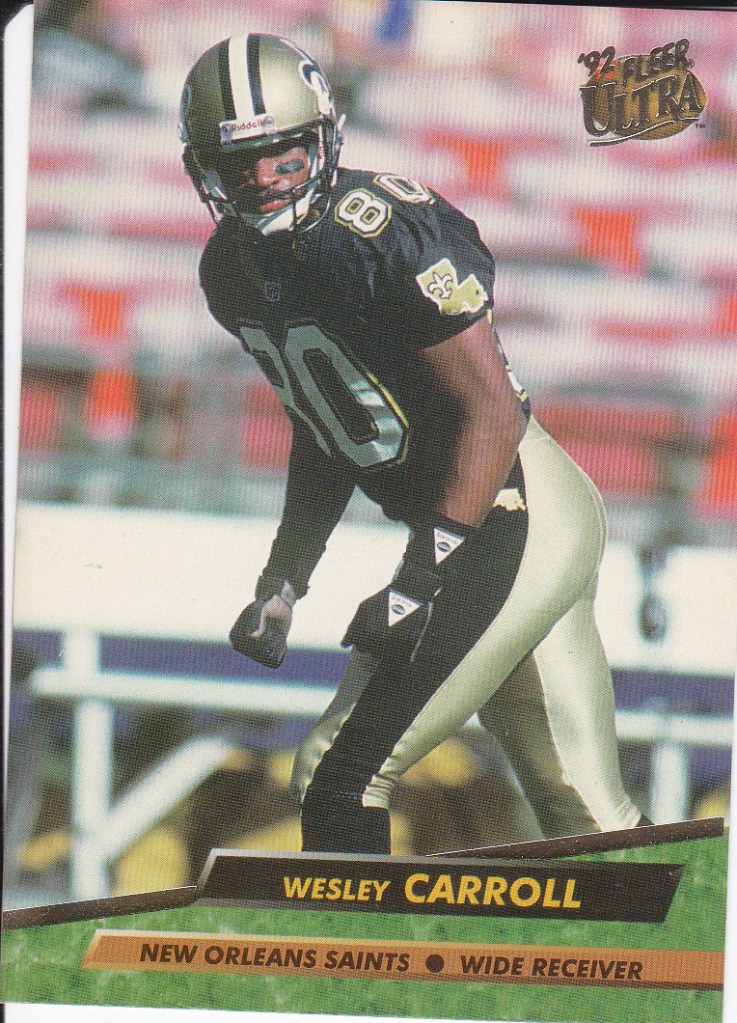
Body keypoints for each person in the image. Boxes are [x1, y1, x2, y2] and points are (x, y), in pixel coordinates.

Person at [179, 32, 648, 855]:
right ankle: (675, 935)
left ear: (324, 140)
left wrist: (418, 578)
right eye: (240, 166)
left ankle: (358, 948)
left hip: (512, 510)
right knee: (586, 812)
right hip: (489, 523)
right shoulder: (231, 269)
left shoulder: (381, 230)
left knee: (342, 770)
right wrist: (285, 579)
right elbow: (325, 425)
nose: (265, 181)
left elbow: (492, 413)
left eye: (284, 157)